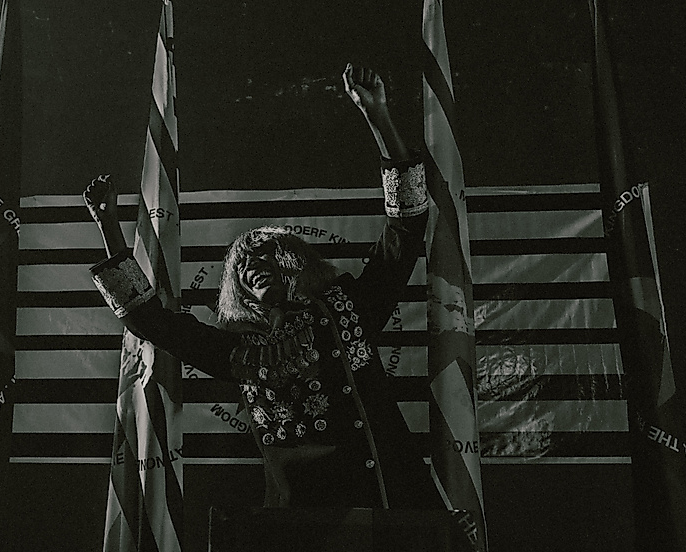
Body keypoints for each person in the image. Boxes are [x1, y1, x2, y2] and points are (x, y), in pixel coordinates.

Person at [85, 64, 442, 510]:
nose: (255, 264)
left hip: (393, 500)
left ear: (296, 260)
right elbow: (150, 321)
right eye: (243, 263)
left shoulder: (348, 307)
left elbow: (406, 229)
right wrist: (109, 228)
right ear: (237, 288)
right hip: (306, 532)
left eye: (267, 252)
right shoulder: (238, 351)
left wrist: (379, 118)